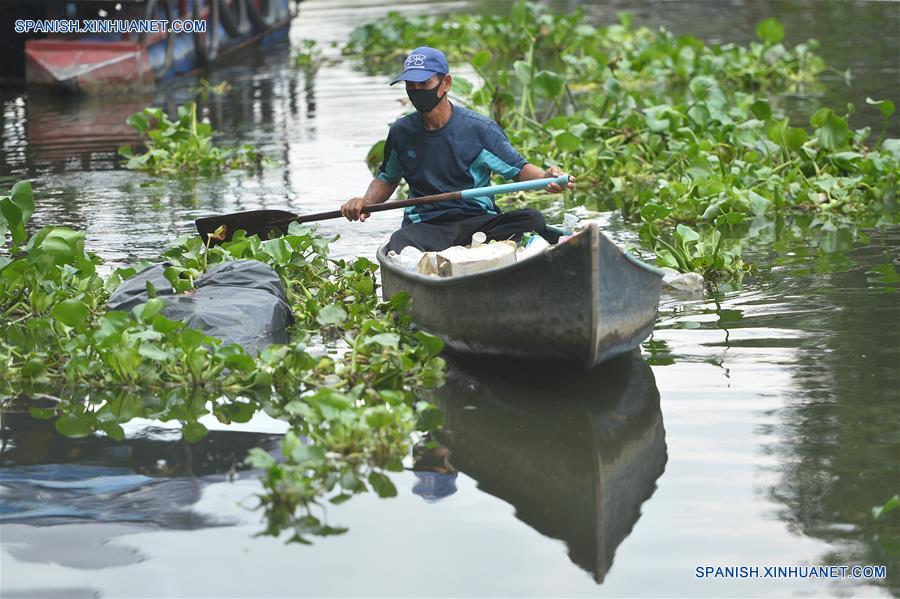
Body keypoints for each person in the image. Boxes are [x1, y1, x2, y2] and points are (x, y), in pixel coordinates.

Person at [340, 46, 575, 253]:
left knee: (532, 219)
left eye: (424, 84)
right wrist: (365, 202)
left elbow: (519, 170)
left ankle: (477, 249)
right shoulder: (402, 132)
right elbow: (387, 178)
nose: (416, 91)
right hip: (428, 227)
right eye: (411, 85)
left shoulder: (479, 129)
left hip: (478, 222)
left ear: (446, 83)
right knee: (400, 241)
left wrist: (546, 178)